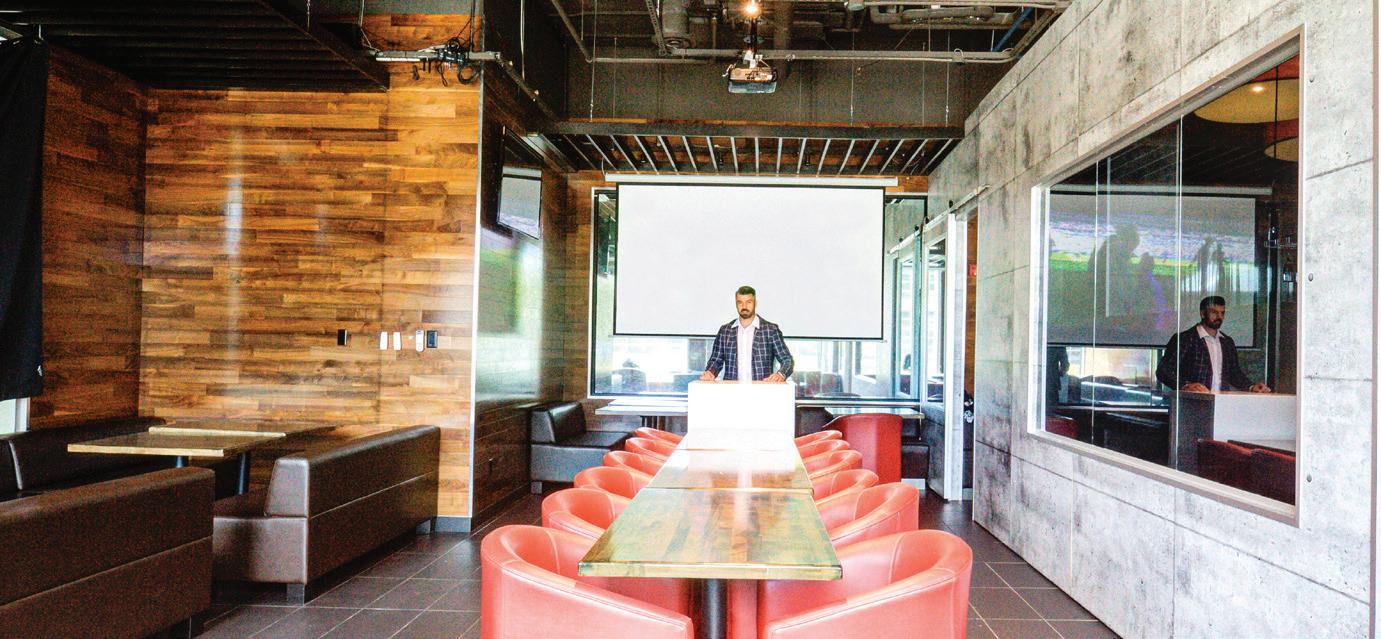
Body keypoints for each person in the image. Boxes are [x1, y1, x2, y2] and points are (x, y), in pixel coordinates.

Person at [1155, 296, 1270, 393]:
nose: (1219, 317)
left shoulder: (1227, 342)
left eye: (1222, 313)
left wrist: (1251, 387)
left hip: (1222, 403)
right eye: (1214, 312)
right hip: (1192, 403)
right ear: (1202, 314)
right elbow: (1163, 371)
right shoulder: (1185, 339)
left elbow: (1234, 374)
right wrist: (1185, 385)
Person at [699, 285, 794, 382]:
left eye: (748, 302)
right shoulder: (725, 331)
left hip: (762, 389)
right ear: (736, 304)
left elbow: (787, 360)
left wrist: (780, 374)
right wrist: (710, 372)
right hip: (731, 390)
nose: (744, 307)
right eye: (740, 302)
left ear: (755, 303)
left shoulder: (771, 330)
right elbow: (715, 360)